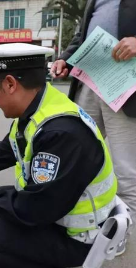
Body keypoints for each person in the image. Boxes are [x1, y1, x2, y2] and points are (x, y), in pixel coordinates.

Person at [0, 43, 118, 268]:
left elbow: (37, 209)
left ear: (10, 84)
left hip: (78, 239)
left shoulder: (60, 132)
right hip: (61, 211)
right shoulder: (39, 111)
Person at [51, 0, 136, 220]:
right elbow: (83, 36)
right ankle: (81, 221)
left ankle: (118, 233)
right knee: (76, 156)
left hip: (126, 89)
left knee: (126, 172)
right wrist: (64, 60)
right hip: (90, 83)